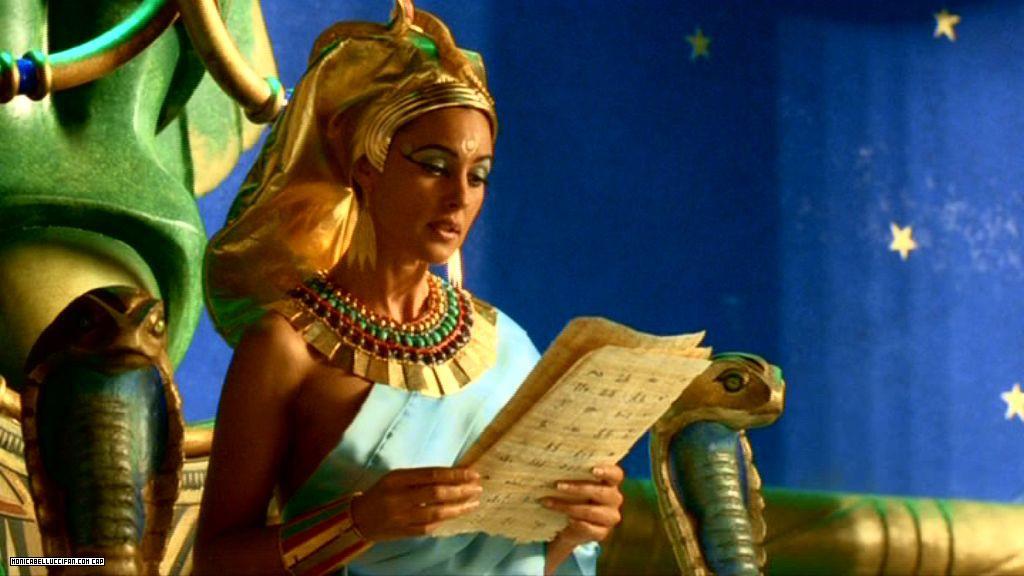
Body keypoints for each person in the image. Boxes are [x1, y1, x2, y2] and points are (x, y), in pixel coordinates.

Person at [193, 2, 624, 575]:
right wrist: (359, 522)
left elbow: (518, 561)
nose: (459, 197)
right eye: (434, 165)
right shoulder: (284, 348)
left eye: (478, 176)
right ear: (366, 167)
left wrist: (571, 532)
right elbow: (216, 563)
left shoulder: (506, 346)